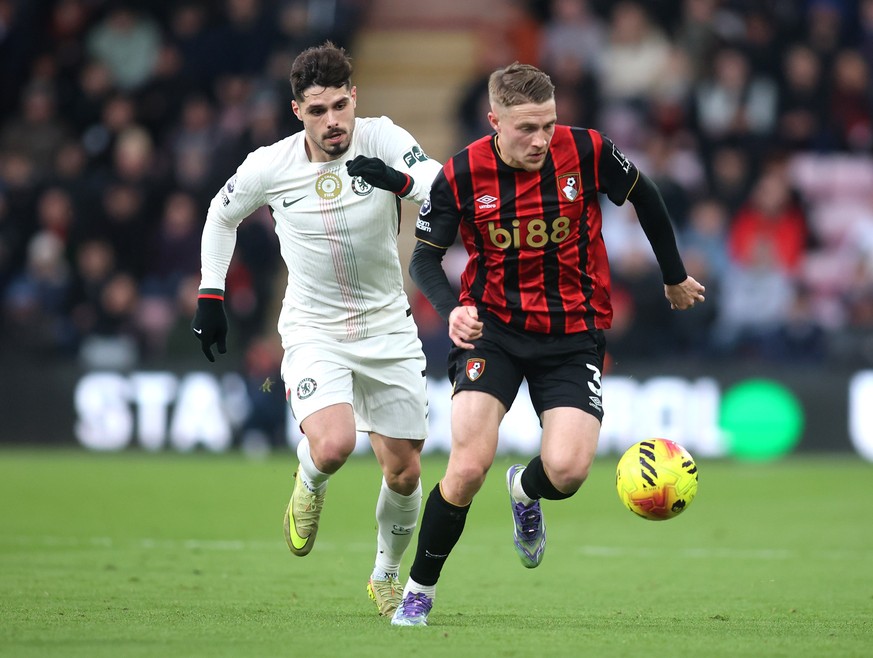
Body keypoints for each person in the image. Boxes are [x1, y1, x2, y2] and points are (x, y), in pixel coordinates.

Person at [391, 62, 705, 627]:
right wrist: (453, 310)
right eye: (526, 129)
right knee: (465, 468)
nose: (541, 140)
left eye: (548, 125)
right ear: (495, 122)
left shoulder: (586, 150)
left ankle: (525, 491)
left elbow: (648, 196)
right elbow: (423, 258)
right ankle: (419, 591)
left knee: (567, 471)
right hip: (494, 331)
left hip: (573, 333)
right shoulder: (461, 174)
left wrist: (673, 274)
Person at [191, 42, 442, 617]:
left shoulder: (382, 137)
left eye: (340, 106)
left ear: (355, 98)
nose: (334, 122)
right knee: (332, 445)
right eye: (318, 110)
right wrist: (211, 292)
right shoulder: (268, 165)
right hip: (314, 327)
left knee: (404, 472)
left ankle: (385, 576)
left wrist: (399, 182)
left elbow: (439, 184)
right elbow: (219, 215)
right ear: (296, 111)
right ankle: (309, 482)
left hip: (387, 324)